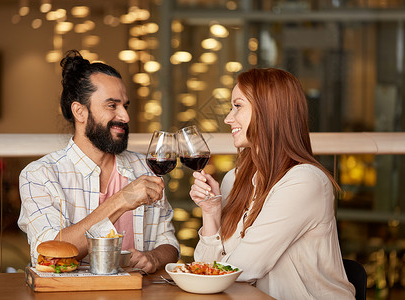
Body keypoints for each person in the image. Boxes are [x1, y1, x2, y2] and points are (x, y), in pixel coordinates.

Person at [189, 68, 356, 299]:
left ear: (268, 112)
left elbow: (243, 270)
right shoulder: (234, 179)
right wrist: (211, 212)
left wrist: (212, 270)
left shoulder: (304, 182)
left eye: (237, 106)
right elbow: (206, 273)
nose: (228, 118)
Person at [18, 50, 179, 273]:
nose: (125, 117)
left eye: (125, 106)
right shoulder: (39, 175)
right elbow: (48, 254)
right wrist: (121, 200)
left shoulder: (145, 168)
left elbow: (169, 243)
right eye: (112, 105)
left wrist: (153, 257)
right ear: (80, 112)